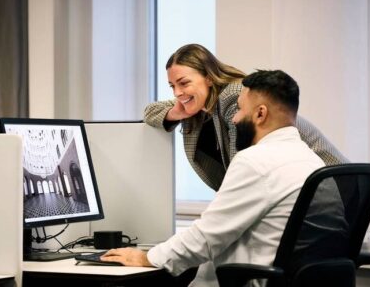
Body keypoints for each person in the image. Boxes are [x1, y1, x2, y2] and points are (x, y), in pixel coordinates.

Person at [101, 70, 347, 286]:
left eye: (240, 109)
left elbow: (205, 239)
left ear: (260, 114)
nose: (235, 118)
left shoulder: (256, 161)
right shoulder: (310, 161)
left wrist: (146, 257)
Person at [144, 43, 347, 191]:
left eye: (184, 83)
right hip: (304, 188)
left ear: (208, 77)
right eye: (172, 86)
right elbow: (150, 111)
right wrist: (178, 112)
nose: (177, 93)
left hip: (331, 183)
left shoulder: (234, 95)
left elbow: (242, 170)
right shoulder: (198, 105)